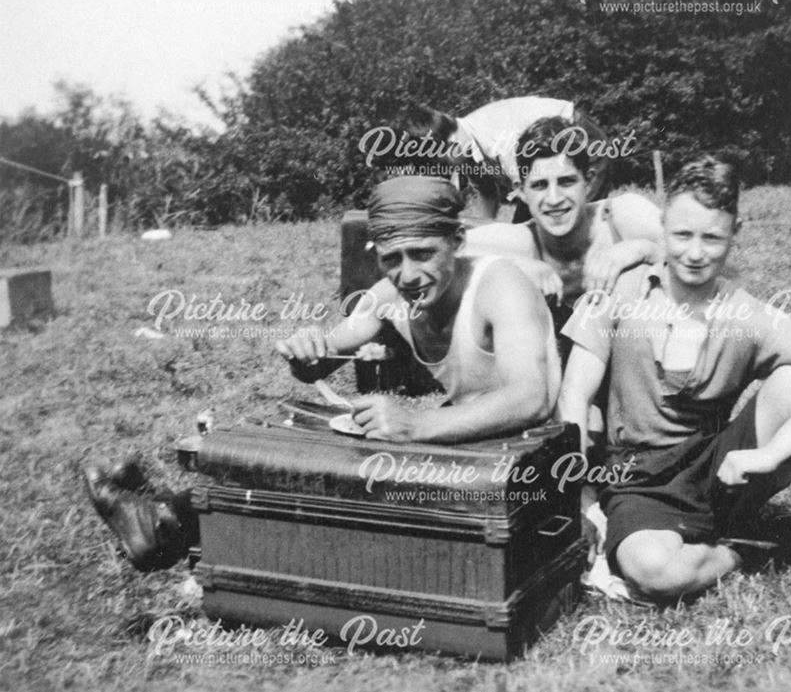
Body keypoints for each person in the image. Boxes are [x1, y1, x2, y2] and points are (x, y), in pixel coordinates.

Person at [85, 175, 561, 569]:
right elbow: (326, 355)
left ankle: (171, 520)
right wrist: (305, 353)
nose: (408, 274)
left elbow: (531, 399)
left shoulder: (500, 284)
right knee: (331, 452)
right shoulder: (393, 293)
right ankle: (165, 514)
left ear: (456, 241)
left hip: (539, 466)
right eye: (391, 259)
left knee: (374, 488)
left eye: (423, 254)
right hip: (472, 446)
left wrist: (419, 424)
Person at [557, 156, 791, 626]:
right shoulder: (618, 292)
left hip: (720, 472)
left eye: (712, 238)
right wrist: (580, 496)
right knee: (654, 572)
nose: (695, 253)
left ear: (735, 232)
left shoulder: (746, 313)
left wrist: (770, 456)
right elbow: (574, 398)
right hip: (638, 483)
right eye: (682, 235)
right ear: (663, 226)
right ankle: (750, 548)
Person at [463, 115, 662, 354]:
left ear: (588, 182)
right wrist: (516, 266)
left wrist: (643, 249)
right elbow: (438, 251)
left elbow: (704, 252)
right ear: (521, 192)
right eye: (539, 185)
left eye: (566, 182)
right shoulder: (522, 241)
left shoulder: (620, 217)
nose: (554, 199)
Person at [406, 97, 613, 220]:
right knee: (525, 234)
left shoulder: (492, 137)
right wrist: (483, 237)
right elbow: (486, 192)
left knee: (575, 221)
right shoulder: (466, 144)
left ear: (450, 142)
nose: (447, 168)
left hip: (582, 141)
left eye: (443, 162)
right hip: (542, 166)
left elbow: (530, 191)